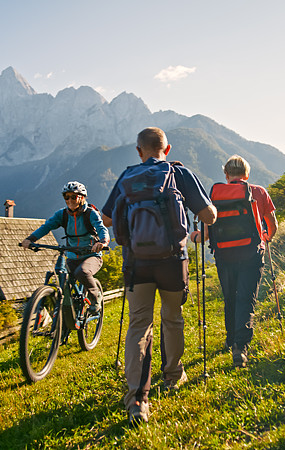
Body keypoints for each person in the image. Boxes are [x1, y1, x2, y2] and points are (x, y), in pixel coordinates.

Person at [101, 127, 216, 426]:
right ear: (167, 149)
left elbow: (107, 219)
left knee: (139, 324)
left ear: (138, 151)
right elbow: (209, 216)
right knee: (172, 316)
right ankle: (173, 375)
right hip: (172, 260)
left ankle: (137, 400)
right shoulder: (179, 173)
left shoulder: (127, 176)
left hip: (136, 263)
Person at [192, 155, 277, 369]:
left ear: (227, 175)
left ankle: (230, 339)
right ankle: (240, 347)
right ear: (247, 174)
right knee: (246, 298)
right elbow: (272, 224)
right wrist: (265, 238)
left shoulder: (215, 196)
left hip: (224, 256)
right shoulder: (258, 192)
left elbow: (206, 233)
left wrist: (195, 237)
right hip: (251, 253)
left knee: (230, 297)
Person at [21, 181, 110, 314]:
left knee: (83, 272)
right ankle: (64, 319)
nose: (69, 200)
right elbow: (46, 227)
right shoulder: (62, 215)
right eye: (66, 197)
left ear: (82, 198)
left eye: (73, 197)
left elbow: (101, 228)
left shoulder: (90, 214)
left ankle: (96, 296)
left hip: (91, 255)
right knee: (61, 279)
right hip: (72, 255)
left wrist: (102, 242)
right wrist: (30, 239)